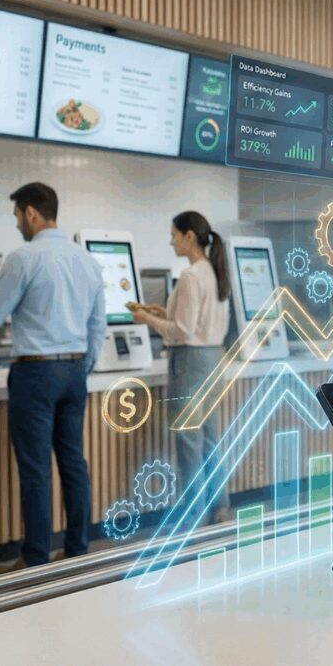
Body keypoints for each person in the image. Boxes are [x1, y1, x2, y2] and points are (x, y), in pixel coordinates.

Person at [0, 182, 105, 572]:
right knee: (72, 462)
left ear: (31, 213)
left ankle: (35, 557)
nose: (17, 223)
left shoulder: (23, 258)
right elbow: (97, 326)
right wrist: (80, 368)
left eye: (18, 215)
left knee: (35, 468)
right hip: (73, 370)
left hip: (35, 372)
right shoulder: (88, 261)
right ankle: (77, 547)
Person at [132, 211, 232, 525]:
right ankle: (220, 507)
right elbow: (193, 321)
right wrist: (164, 312)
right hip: (213, 358)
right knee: (209, 439)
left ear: (189, 237)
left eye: (174, 234)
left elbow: (183, 331)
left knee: (188, 441)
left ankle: (193, 516)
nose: (170, 240)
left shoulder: (190, 275)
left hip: (189, 361)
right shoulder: (213, 271)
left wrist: (148, 320)